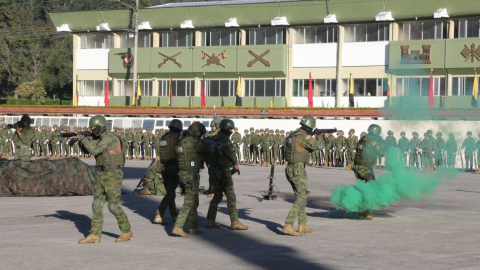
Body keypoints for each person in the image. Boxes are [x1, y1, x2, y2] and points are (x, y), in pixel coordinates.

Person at [78, 115, 132, 244]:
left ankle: (126, 230)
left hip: (112, 174)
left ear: (102, 127)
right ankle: (95, 234)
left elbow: (94, 150)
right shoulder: (100, 138)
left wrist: (84, 139)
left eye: (94, 127)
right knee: (96, 204)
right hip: (101, 173)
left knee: (112, 206)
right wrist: (81, 142)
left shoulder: (110, 138)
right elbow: (87, 150)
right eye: (90, 128)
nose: (92, 130)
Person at [206, 119, 248, 231]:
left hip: (213, 170)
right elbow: (231, 154)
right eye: (230, 129)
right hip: (223, 170)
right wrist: (235, 164)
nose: (231, 131)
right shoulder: (226, 141)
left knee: (217, 196)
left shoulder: (212, 139)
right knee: (231, 196)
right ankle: (235, 221)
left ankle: (210, 220)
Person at [282, 115, 321, 236]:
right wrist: (320, 137)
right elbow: (319, 146)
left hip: (290, 168)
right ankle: (288, 224)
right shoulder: (304, 136)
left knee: (301, 195)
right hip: (298, 169)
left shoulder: (293, 134)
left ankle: (302, 224)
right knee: (302, 197)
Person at [172, 122, 213, 237]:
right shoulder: (195, 142)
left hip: (182, 173)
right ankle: (178, 226)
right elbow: (209, 149)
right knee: (190, 201)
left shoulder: (182, 140)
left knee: (194, 200)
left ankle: (193, 227)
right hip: (191, 174)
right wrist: (209, 142)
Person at [352, 124, 385, 220]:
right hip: (365, 167)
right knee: (370, 188)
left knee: (363, 188)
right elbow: (381, 153)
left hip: (358, 166)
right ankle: (364, 212)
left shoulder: (363, 139)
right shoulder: (372, 141)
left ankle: (361, 209)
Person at [155, 119, 183, 224]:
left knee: (170, 192)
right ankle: (159, 213)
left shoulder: (164, 137)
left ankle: (174, 215)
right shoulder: (177, 137)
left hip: (163, 167)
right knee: (171, 193)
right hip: (174, 167)